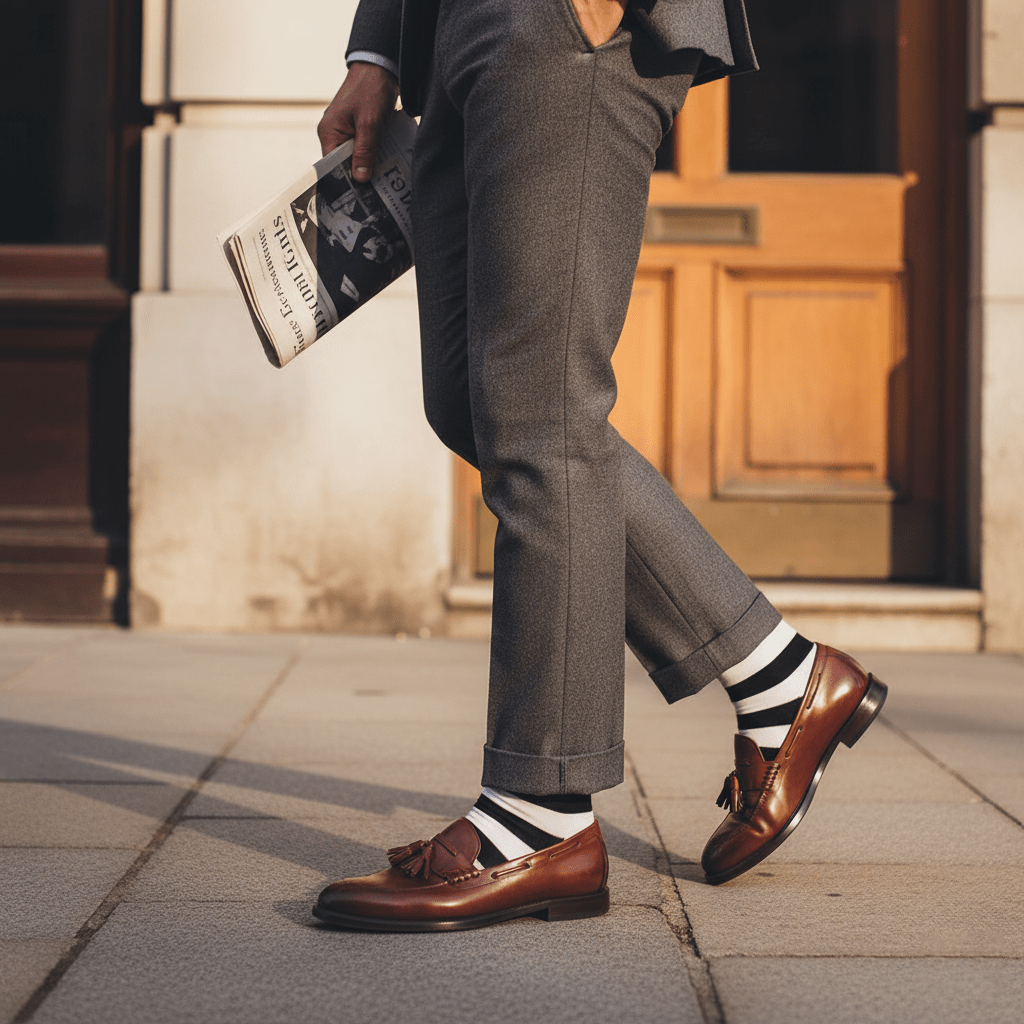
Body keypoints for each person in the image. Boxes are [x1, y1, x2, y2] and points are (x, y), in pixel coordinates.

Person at [311, 0, 888, 932]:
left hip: (563, 25)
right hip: (452, 31)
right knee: (474, 401)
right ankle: (782, 677)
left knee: (541, 410)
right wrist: (377, 49)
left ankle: (540, 816)